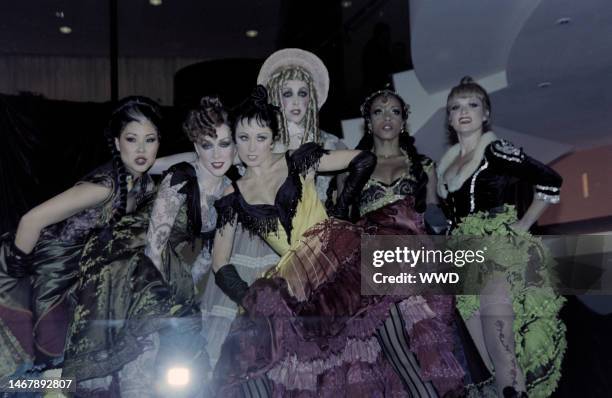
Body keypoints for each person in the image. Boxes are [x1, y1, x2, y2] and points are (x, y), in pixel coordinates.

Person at [211, 85, 429, 397]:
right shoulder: (233, 196)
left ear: (273, 137)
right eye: (243, 138)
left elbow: (363, 159)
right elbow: (220, 263)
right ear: (234, 139)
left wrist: (339, 214)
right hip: (297, 287)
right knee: (322, 375)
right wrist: (251, 302)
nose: (252, 147)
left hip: (343, 261)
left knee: (399, 352)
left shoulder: (297, 161)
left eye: (260, 137)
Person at [61, 97, 235, 396]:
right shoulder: (182, 178)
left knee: (185, 360)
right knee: (143, 349)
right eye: (207, 145)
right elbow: (154, 247)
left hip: (169, 268)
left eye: (224, 143)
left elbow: (208, 253)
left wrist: (191, 291)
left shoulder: (230, 188)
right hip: (129, 256)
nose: (217, 154)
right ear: (195, 147)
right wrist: (166, 300)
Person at [0, 96, 161, 382]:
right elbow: (30, 221)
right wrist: (17, 278)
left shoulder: (140, 180)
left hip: (81, 278)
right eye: (132, 139)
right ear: (116, 142)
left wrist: (219, 157)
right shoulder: (104, 187)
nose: (141, 149)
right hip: (46, 273)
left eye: (150, 140)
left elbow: (163, 163)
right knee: (49, 369)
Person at [436, 77, 566, 397]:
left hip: (496, 252)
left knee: (503, 351)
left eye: (472, 104)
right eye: (456, 107)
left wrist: (522, 226)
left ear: (486, 114)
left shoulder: (494, 150)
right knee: (487, 365)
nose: (463, 111)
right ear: (450, 119)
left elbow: (550, 179)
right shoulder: (448, 165)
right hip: (462, 260)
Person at [356, 89, 465, 396]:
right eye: (378, 111)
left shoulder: (424, 165)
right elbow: (345, 225)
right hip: (375, 266)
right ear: (368, 122)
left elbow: (434, 219)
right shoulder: (353, 169)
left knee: (430, 353)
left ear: (403, 120)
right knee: (396, 358)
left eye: (394, 111)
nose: (387, 117)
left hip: (418, 266)